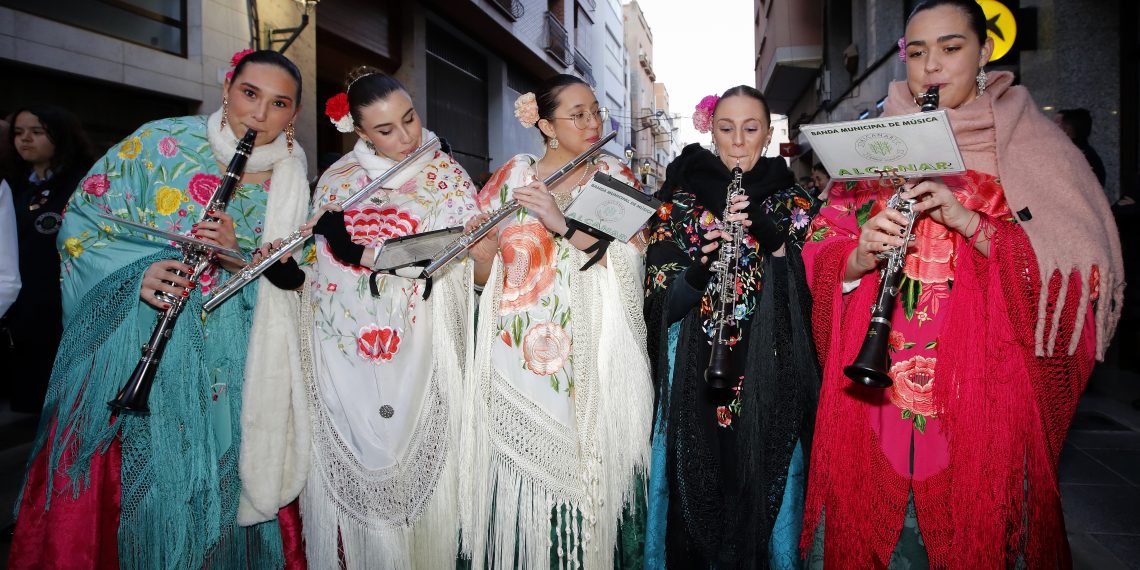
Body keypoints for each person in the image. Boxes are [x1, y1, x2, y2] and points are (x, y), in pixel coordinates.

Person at [800, 1, 1123, 567]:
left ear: (984, 51)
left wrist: (971, 222)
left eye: (950, 48)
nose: (932, 66)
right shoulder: (872, 140)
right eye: (917, 52)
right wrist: (855, 256)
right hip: (876, 387)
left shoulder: (1030, 142)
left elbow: (1073, 274)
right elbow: (821, 246)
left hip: (986, 389)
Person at [9, 49, 312, 569]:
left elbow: (300, 281)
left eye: (278, 104)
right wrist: (138, 274)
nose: (259, 115)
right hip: (137, 345)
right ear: (226, 88)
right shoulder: (160, 141)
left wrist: (237, 254)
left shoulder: (294, 183)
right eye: (249, 94)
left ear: (293, 116)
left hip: (236, 370)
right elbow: (85, 222)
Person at [458, 74, 653, 569]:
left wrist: (560, 223)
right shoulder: (511, 178)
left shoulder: (616, 176)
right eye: (577, 114)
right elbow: (485, 274)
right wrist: (479, 255)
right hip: (515, 350)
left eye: (595, 112)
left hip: (592, 352)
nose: (592, 123)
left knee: (591, 468)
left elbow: (631, 264)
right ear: (545, 124)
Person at [294, 67, 483, 568]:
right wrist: (304, 261)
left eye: (410, 119)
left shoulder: (446, 173)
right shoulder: (336, 179)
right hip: (347, 341)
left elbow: (450, 252)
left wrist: (358, 250)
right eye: (385, 130)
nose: (406, 137)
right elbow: (319, 270)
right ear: (358, 132)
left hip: (421, 335)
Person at [642, 86, 821, 569]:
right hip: (696, 374)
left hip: (771, 371)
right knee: (696, 493)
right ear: (710, 130)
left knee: (767, 487)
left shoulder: (795, 200)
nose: (738, 142)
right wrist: (698, 271)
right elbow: (663, 303)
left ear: (767, 133)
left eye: (750, 129)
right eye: (726, 129)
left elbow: (813, 300)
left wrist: (777, 246)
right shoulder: (679, 200)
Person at [0, 105, 94, 414]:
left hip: (65, 311)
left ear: (60, 136)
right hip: (22, 312)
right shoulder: (14, 187)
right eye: (19, 132)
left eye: (37, 132)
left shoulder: (83, 185)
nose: (25, 139)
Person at [1055, 108, 1106, 187]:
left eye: (1058, 123)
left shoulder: (1076, 154)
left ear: (1068, 130)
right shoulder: (1084, 152)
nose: (1052, 127)